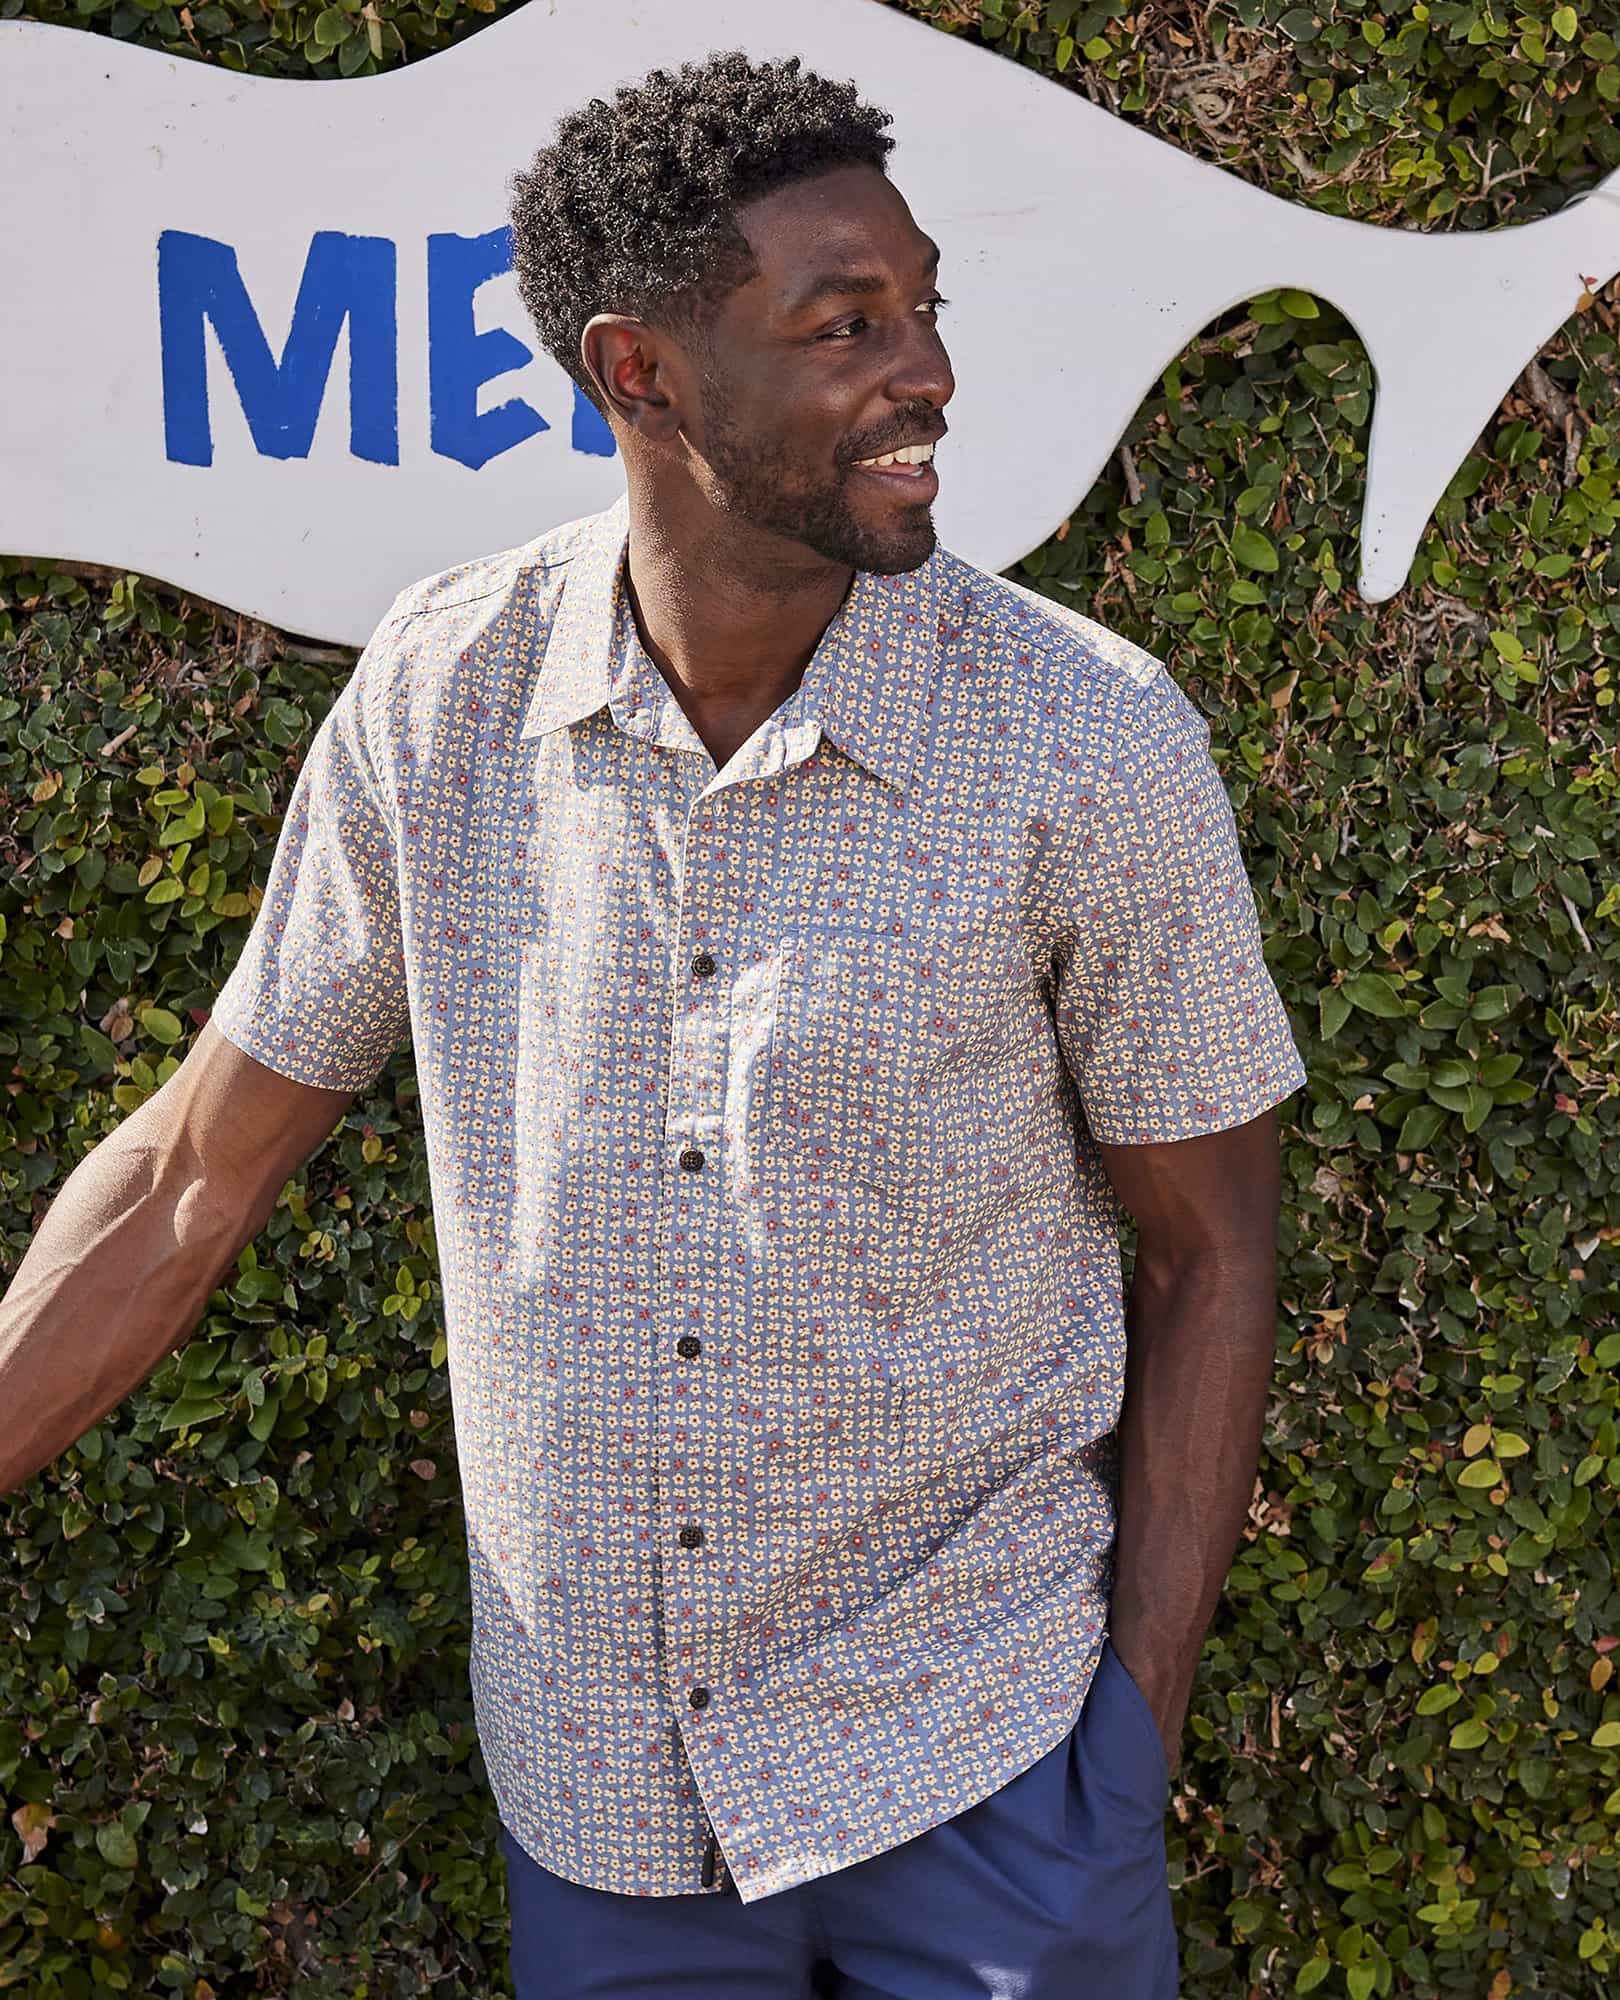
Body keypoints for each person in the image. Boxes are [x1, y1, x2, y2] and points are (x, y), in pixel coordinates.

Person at [0, 48, 1308, 2000]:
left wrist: (1123, 1752)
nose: (929, 373)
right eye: (846, 327)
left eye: (925, 307)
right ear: (644, 373)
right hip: (604, 1816)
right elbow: (193, 1176)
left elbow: (1214, 1254)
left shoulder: (1083, 741)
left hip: (990, 1782)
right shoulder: (443, 698)